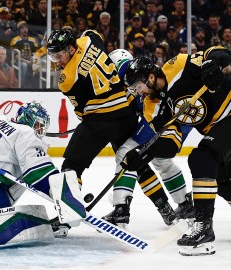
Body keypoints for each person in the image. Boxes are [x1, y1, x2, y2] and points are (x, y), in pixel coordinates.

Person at [120, 47, 231, 256]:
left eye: (138, 86)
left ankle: (204, 227)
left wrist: (212, 65)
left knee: (202, 158)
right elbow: (170, 145)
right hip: (219, 128)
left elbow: (221, 53)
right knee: (223, 179)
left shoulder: (179, 66)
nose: (138, 92)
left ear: (150, 77)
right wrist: (145, 154)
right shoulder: (151, 107)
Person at [0, 101, 77, 249]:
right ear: (27, 119)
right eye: (38, 125)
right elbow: (39, 174)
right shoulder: (26, 133)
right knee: (7, 214)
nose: (40, 130)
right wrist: (66, 197)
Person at [102, 49, 194, 228]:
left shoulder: (123, 71)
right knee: (161, 160)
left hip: (162, 118)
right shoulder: (139, 71)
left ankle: (121, 209)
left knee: (125, 153)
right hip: (179, 120)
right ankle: (185, 205)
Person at [47, 29, 137, 199]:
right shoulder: (90, 40)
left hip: (100, 121)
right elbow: (93, 34)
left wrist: (87, 126)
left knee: (72, 164)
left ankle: (69, 206)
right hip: (126, 115)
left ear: (71, 50)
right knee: (131, 160)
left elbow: (81, 111)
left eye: (59, 56)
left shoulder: (67, 79)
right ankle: (158, 206)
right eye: (53, 57)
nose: (57, 62)